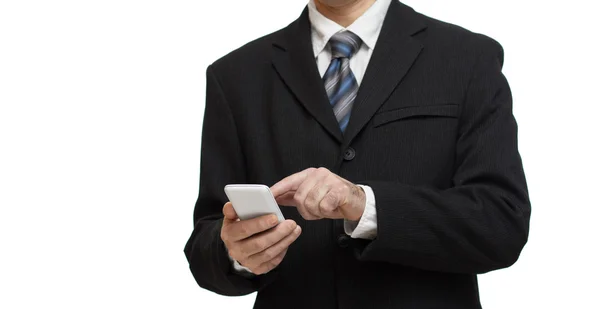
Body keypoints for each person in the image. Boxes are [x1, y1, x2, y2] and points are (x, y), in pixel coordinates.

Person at [184, 0, 531, 308]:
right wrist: (235, 255)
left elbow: (501, 224)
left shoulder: (468, 58)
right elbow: (205, 244)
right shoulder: (234, 76)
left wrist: (365, 206)